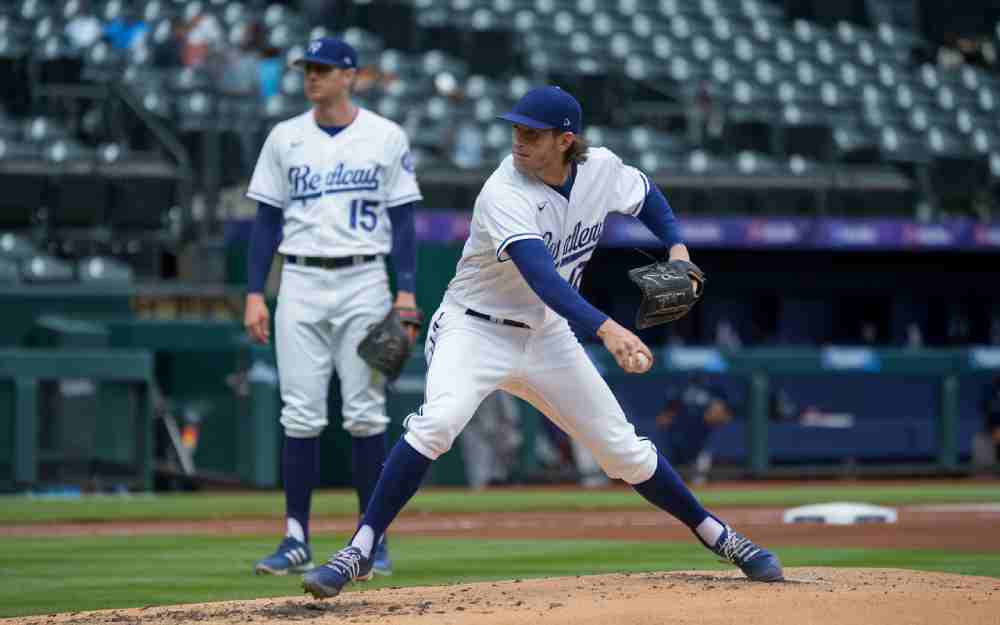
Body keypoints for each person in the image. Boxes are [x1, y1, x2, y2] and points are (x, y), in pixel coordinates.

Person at [300, 85, 782, 599]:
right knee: (437, 423)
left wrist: (678, 247)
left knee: (625, 454)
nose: (519, 142)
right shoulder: (503, 191)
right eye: (515, 130)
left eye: (532, 134)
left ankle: (721, 537)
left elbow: (648, 197)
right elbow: (542, 279)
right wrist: (608, 329)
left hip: (547, 335)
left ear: (565, 140)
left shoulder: (600, 169)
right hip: (473, 328)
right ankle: (360, 548)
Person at [243, 36, 422, 578]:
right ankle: (296, 537)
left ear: (351, 75)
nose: (311, 77)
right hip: (298, 278)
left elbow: (405, 219)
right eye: (308, 69)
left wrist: (406, 289)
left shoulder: (385, 136)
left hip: (365, 277)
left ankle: (372, 539)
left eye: (323, 69)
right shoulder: (284, 137)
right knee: (299, 412)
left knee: (365, 413)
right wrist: (255, 291)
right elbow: (266, 222)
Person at [655, 374, 732, 485]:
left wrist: (716, 414)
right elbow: (664, 417)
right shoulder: (681, 391)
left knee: (698, 476)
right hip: (680, 437)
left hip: (700, 438)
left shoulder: (710, 392)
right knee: (676, 477)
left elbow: (723, 416)